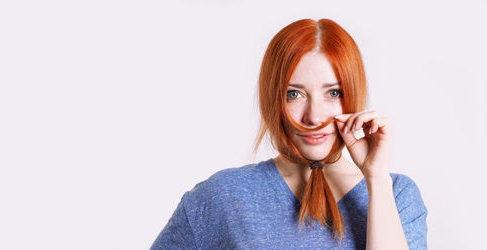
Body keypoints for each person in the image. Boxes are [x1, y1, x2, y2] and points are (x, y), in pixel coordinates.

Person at [150, 18, 428, 249]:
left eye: (333, 93)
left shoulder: (395, 195)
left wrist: (375, 177)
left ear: (353, 95)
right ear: (273, 98)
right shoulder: (221, 197)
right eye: (294, 94)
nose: (314, 116)